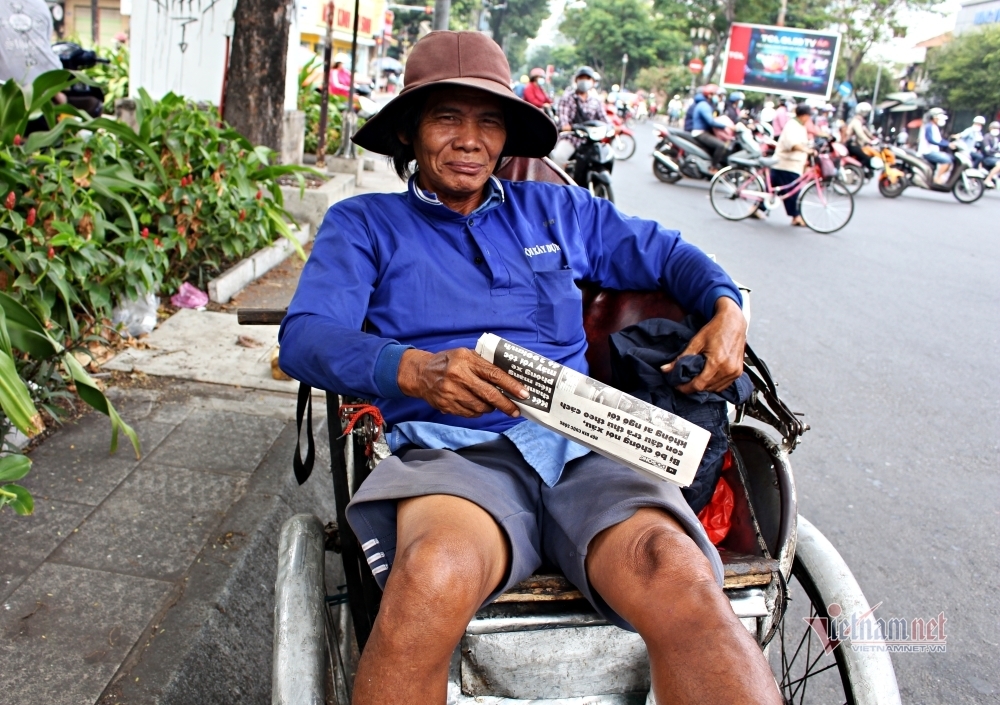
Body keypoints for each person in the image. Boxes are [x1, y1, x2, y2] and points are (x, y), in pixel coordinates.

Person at [279, 30, 781, 705]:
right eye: (446, 117)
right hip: (453, 458)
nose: (469, 139)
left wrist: (727, 307)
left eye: (488, 121)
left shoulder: (555, 209)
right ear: (408, 130)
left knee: (680, 571)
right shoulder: (363, 225)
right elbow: (305, 337)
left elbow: (665, 254)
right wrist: (413, 371)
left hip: (585, 445)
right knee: (431, 573)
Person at [556, 65, 611, 186]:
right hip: (572, 139)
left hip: (591, 141)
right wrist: (573, 128)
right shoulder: (567, 98)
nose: (584, 81)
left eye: (588, 78)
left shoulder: (596, 101)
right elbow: (563, 124)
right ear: (576, 80)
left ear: (593, 82)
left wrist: (611, 128)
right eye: (581, 78)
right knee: (558, 158)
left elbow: (605, 120)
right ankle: (556, 189)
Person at [770, 104, 815, 227]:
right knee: (791, 192)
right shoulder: (792, 125)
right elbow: (793, 144)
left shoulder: (800, 126)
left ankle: (756, 208)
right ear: (805, 116)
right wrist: (806, 150)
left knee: (774, 190)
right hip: (786, 164)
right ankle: (796, 217)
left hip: (791, 164)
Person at [0, 0, 62, 86]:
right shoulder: (41, 5)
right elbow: (47, 41)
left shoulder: (40, 5)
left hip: (15, 91)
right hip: (52, 80)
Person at [690, 84, 730, 172]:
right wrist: (726, 126)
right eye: (717, 95)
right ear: (710, 95)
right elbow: (711, 122)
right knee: (721, 146)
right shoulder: (704, 106)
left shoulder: (708, 105)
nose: (718, 97)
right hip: (700, 133)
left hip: (704, 132)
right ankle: (713, 167)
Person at [918, 108, 953, 185]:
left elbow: (939, 140)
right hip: (927, 151)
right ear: (934, 117)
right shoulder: (929, 126)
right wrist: (947, 144)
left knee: (950, 158)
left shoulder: (935, 127)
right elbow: (930, 140)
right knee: (947, 160)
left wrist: (949, 144)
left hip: (933, 151)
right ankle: (937, 178)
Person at [845, 102, 876, 168]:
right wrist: (869, 141)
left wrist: (873, 138)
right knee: (867, 158)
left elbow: (865, 131)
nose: (867, 115)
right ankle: (860, 170)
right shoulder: (856, 121)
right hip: (852, 145)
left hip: (857, 145)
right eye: (866, 112)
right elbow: (860, 134)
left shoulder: (860, 121)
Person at [983, 120, 1000, 188]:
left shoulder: (997, 138)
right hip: (988, 157)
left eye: (997, 128)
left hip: (996, 157)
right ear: (990, 128)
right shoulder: (987, 137)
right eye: (994, 128)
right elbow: (987, 150)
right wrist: (996, 153)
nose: (996, 130)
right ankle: (988, 179)